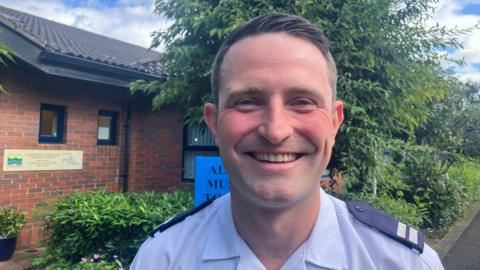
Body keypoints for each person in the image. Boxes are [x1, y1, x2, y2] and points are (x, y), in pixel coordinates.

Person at [130, 13, 444, 270]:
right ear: (214, 122)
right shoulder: (161, 258)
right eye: (248, 102)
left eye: (303, 101)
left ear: (334, 123)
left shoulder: (404, 263)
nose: (276, 131)